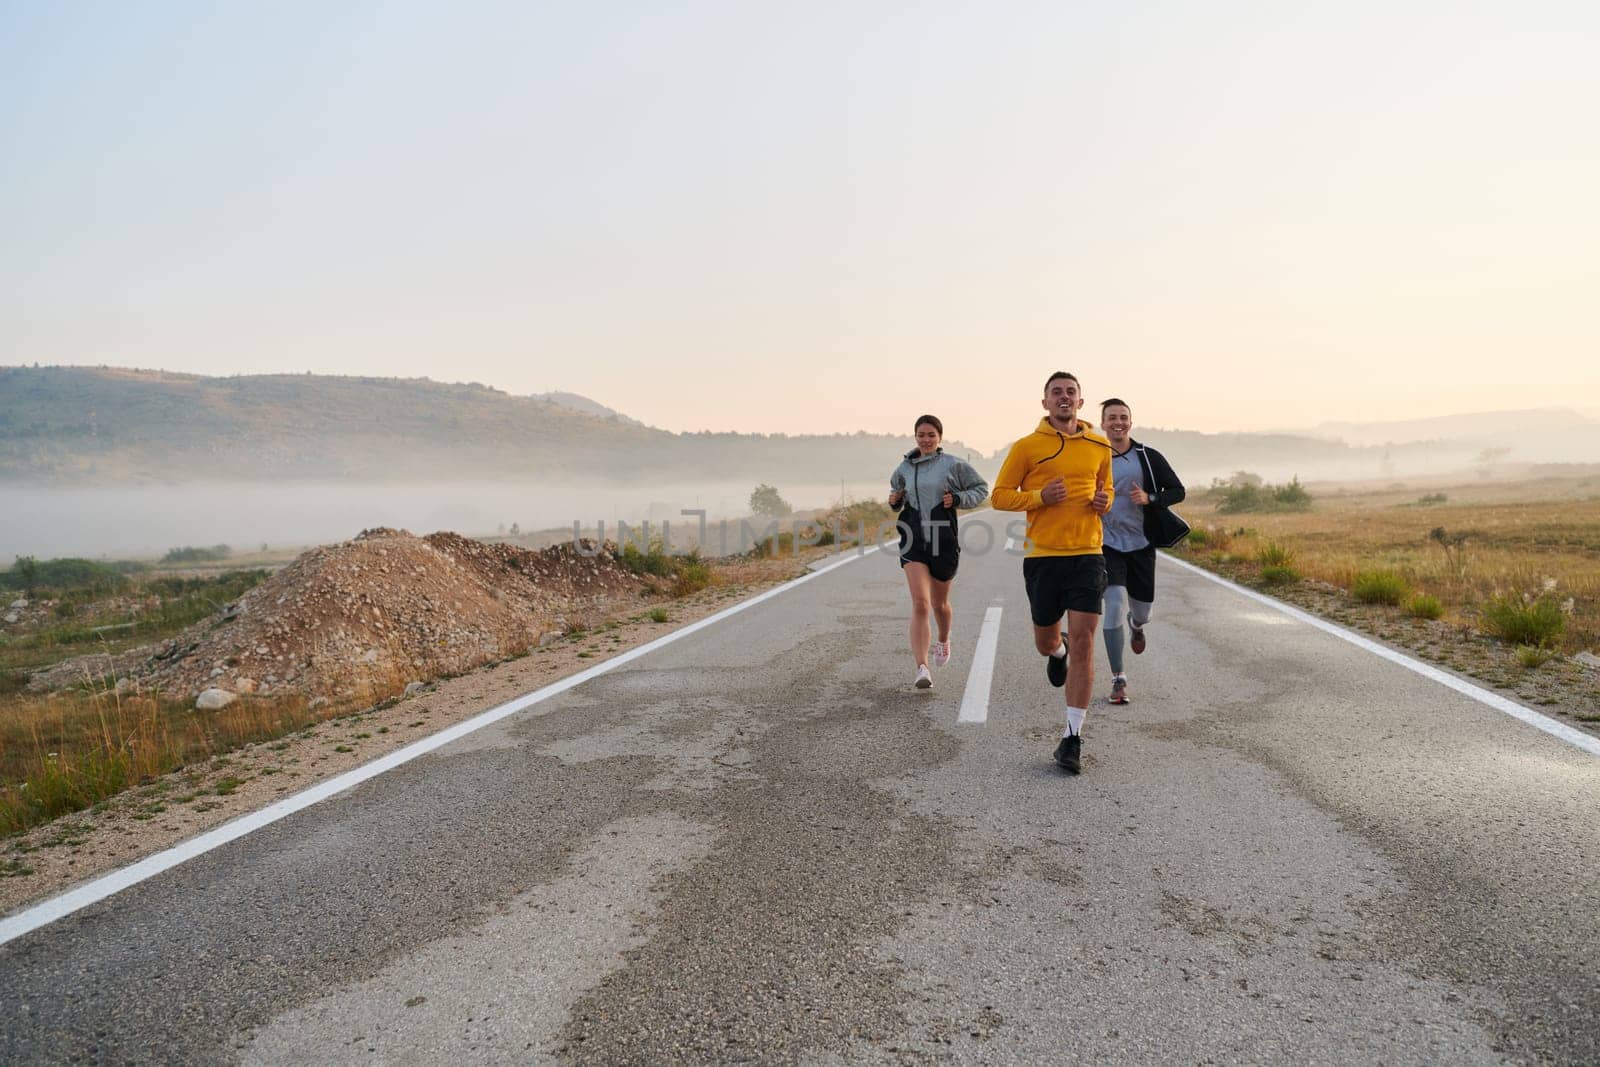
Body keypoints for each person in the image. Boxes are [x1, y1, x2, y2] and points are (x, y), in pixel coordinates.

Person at [991, 373, 1113, 773]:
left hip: (1088, 554)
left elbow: (1106, 489)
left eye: (1071, 393)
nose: (1064, 398)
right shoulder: (1027, 447)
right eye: (1056, 393)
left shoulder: (1100, 443)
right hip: (1043, 556)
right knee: (1047, 640)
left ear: (1081, 401)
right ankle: (1054, 651)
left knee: (1085, 641)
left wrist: (1103, 501)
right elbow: (1000, 496)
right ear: (1044, 403)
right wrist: (1040, 497)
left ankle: (1072, 737)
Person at [888, 415, 990, 689]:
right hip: (912, 537)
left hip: (942, 536)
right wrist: (894, 501)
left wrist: (957, 499)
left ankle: (943, 639)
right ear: (915, 437)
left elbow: (981, 489)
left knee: (939, 605)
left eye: (931, 434)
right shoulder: (905, 467)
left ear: (940, 437)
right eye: (921, 434)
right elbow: (896, 492)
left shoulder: (953, 464)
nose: (926, 439)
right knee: (920, 603)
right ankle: (922, 668)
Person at [1097, 398, 1187, 706]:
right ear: (1103, 423)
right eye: (1111, 418)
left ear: (1130, 422)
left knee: (1142, 612)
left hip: (1141, 544)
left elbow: (1178, 490)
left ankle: (1136, 626)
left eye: (1122, 417)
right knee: (1112, 604)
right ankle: (1118, 678)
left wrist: (1149, 498)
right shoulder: (1094, 457)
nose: (1117, 422)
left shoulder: (1147, 456)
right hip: (1106, 543)